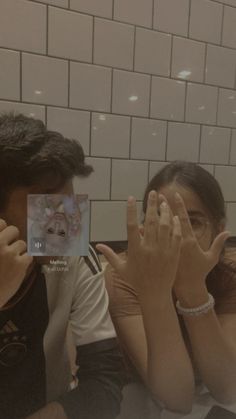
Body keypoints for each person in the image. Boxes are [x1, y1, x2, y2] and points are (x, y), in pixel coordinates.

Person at [0, 113, 124, 419]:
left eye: (69, 204)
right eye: (45, 203)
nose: (64, 224)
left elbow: (104, 382)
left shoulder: (76, 258)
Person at [98, 161, 236, 415]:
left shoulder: (228, 276)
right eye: (162, 221)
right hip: (140, 397)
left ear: (218, 228)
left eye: (192, 222)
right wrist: (156, 294)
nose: (175, 235)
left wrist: (192, 289)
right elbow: (176, 400)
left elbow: (227, 388)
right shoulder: (125, 278)